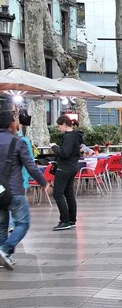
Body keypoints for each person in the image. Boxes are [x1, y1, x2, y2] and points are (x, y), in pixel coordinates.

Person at [0, 111, 49, 269]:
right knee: (23, 223)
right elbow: (30, 165)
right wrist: (44, 182)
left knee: (1, 225)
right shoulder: (18, 142)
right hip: (14, 189)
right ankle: (5, 250)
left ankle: (3, 256)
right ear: (11, 124)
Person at [50, 116, 84, 231]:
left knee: (57, 194)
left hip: (64, 168)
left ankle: (65, 220)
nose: (58, 128)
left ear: (64, 124)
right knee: (69, 193)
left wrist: (54, 147)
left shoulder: (69, 137)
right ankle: (71, 219)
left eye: (59, 126)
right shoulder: (75, 136)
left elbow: (64, 153)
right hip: (72, 167)